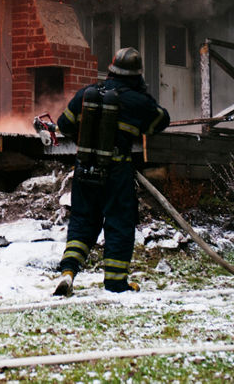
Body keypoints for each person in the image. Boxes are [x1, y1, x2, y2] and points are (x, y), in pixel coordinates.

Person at [52, 47, 169, 296]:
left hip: (84, 169)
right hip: (117, 172)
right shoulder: (139, 102)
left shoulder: (87, 94)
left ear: (111, 70)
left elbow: (64, 125)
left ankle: (68, 273)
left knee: (82, 223)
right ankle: (116, 283)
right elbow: (161, 120)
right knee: (118, 224)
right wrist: (142, 96)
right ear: (137, 75)